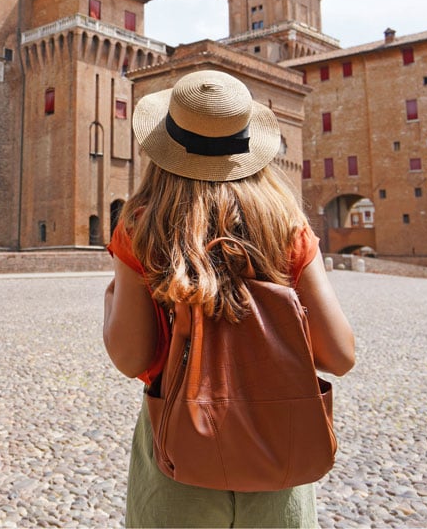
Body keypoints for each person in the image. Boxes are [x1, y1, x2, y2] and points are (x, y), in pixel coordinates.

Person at [103, 70, 356, 528]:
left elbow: (129, 356)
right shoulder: (288, 229)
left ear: (165, 146)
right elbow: (338, 356)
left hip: (178, 459)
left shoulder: (141, 229)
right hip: (280, 454)